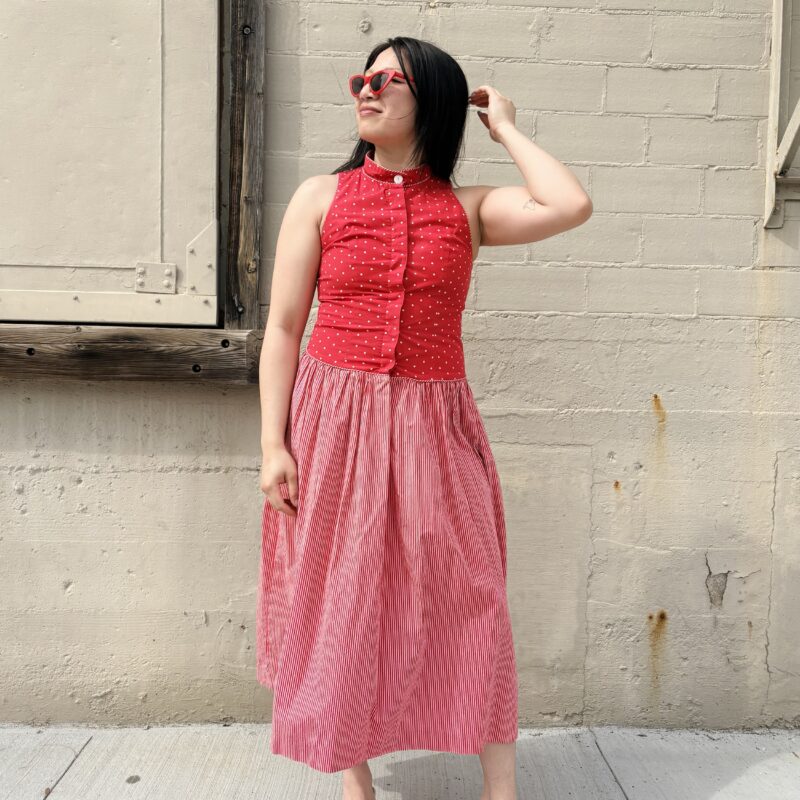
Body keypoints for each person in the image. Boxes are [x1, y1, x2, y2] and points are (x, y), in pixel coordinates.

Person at [256, 36, 592, 800]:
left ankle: (499, 789)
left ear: (431, 100)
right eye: (359, 79)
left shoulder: (466, 210)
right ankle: (355, 780)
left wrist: (503, 127)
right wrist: (273, 443)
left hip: (436, 428)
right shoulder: (321, 197)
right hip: (334, 424)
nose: (365, 90)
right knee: (342, 597)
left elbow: (569, 204)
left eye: (385, 80)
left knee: (475, 596)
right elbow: (283, 328)